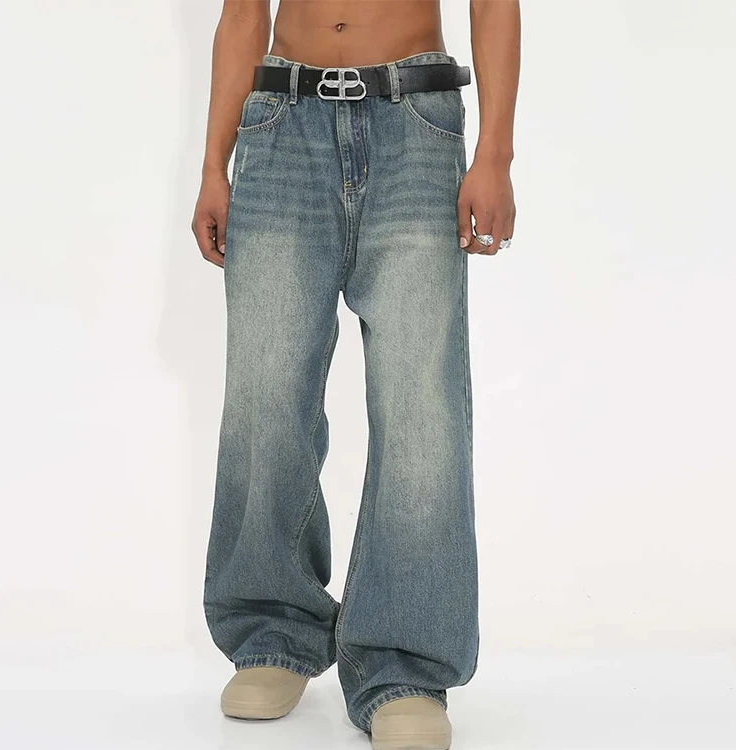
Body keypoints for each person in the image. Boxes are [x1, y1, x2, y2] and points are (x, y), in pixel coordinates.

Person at [191, 1, 520, 747]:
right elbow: (242, 14)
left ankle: (404, 665)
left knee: (420, 406)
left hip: (415, 123)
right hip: (281, 123)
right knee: (265, 394)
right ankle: (272, 632)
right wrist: (213, 166)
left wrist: (494, 154)